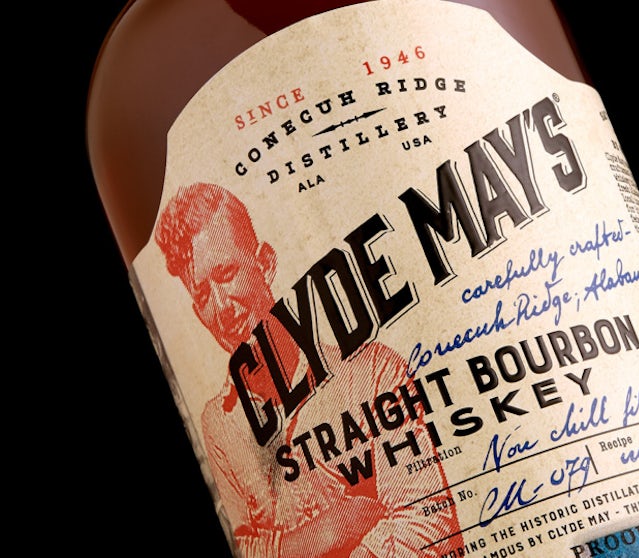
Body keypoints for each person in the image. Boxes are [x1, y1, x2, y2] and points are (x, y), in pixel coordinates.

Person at [154, 181, 462, 557]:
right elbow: (242, 546)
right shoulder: (218, 425)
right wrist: (330, 530)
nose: (221, 308)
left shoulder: (371, 373)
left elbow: (429, 525)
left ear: (265, 264)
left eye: (226, 274)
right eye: (203, 295)